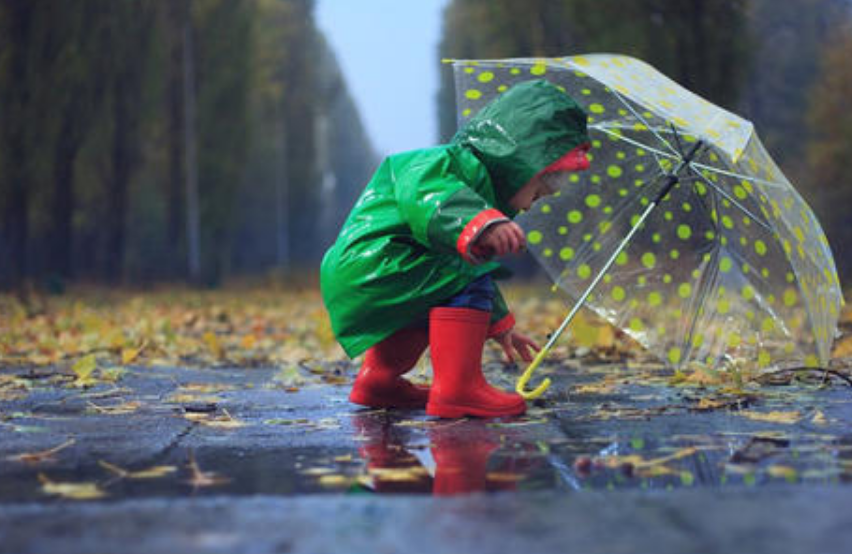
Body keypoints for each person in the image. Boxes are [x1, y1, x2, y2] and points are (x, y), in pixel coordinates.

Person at [320, 79, 590, 418]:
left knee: (440, 283)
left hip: (378, 270)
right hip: (380, 264)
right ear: (524, 162)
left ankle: (379, 380)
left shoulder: (476, 181)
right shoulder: (450, 165)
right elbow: (428, 194)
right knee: (463, 268)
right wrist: (482, 221)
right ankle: (458, 389)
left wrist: (500, 324)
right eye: (538, 191)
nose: (534, 203)